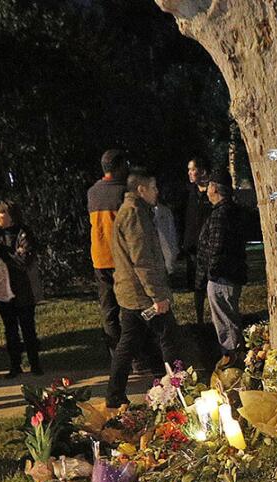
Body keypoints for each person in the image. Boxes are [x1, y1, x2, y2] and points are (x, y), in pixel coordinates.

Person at [106, 167, 185, 408]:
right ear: (141, 189)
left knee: (132, 341)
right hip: (141, 295)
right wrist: (157, 295)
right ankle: (176, 389)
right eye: (153, 187)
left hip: (133, 293)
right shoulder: (134, 214)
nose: (157, 191)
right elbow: (142, 260)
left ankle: (118, 393)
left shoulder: (135, 211)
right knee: (168, 338)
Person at [0, 200, 44, 378]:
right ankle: (15, 365)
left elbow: (24, 260)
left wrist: (5, 254)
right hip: (2, 291)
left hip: (23, 289)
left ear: (9, 215)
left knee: (28, 327)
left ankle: (35, 363)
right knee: (10, 328)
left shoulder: (24, 234)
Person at [196, 169, 250, 363]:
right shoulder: (231, 211)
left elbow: (216, 248)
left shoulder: (220, 214)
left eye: (209, 185)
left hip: (222, 277)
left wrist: (210, 272)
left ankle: (233, 361)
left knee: (226, 322)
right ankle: (234, 358)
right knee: (228, 318)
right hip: (229, 275)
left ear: (214, 188)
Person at [88, 149, 130, 362]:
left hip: (100, 258)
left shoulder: (92, 192)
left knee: (109, 310)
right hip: (121, 259)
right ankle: (135, 355)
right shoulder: (124, 192)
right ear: (119, 167)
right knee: (129, 307)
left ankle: (116, 357)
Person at [179, 156, 215, 324]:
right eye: (189, 170)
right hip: (193, 245)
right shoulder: (189, 193)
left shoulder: (212, 192)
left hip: (209, 243)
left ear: (202, 171)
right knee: (197, 283)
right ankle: (200, 318)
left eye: (192, 169)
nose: (190, 173)